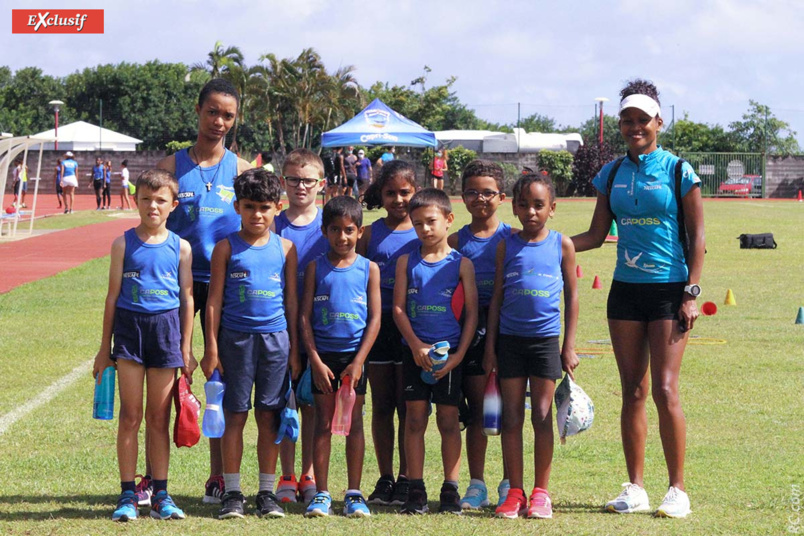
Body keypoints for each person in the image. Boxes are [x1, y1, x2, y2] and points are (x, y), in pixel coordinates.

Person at [571, 79, 704, 519]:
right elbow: (595, 234)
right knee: (633, 390)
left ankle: (678, 490)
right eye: (627, 121)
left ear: (659, 122)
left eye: (642, 120)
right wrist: (543, 243)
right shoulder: (610, 173)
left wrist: (692, 293)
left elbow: (697, 236)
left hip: (670, 291)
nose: (634, 127)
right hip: (625, 292)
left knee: (665, 390)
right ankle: (635, 488)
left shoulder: (678, 169)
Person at [158, 77, 252, 506]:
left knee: (219, 377)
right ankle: (155, 481)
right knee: (165, 374)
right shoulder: (171, 166)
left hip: (225, 282)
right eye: (212, 111)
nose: (218, 121)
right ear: (198, 111)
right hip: (175, 281)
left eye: (227, 115)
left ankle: (218, 476)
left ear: (236, 121)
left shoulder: (244, 172)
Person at [92, 169, 195, 522]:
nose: (153, 206)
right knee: (130, 415)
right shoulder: (122, 243)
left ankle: (162, 494)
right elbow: (112, 296)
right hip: (130, 330)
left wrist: (186, 346)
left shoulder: (181, 247)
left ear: (173, 205)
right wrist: (104, 348)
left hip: (165, 332)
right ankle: (126, 495)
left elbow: (187, 297)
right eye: (146, 199)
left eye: (161, 200)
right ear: (136, 200)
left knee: (158, 418)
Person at [201, 169, 299, 519]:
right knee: (235, 415)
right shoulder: (225, 248)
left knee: (269, 416)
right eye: (249, 207)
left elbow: (291, 303)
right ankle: (232, 492)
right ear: (237, 207)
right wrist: (211, 347)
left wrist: (295, 350)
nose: (257, 215)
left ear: (277, 207)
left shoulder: (286, 248)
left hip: (276, 341)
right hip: (234, 341)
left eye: (264, 207)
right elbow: (213, 302)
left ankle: (267, 493)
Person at [485, 172, 579, 520]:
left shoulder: (562, 245)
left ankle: (541, 492)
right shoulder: (505, 245)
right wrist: (491, 346)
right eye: (523, 205)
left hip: (544, 343)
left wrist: (568, 345)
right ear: (514, 206)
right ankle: (515, 492)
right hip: (509, 342)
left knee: (541, 417)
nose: (531, 212)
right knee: (511, 419)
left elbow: (572, 296)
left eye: (539, 205)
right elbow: (496, 297)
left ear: (552, 208)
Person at [392, 188, 478, 515]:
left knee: (448, 419)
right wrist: (415, 346)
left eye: (431, 222)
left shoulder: (461, 265)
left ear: (448, 220)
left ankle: (450, 489)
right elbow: (398, 309)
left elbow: (472, 313)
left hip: (450, 356)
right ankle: (416, 489)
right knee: (414, 419)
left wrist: (457, 356)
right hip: (414, 354)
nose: (425, 229)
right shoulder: (406, 262)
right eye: (418, 224)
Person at [300, 196, 382, 518]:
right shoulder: (314, 268)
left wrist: (359, 361)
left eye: (349, 230)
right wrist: (315, 361)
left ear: (360, 231)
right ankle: (321, 493)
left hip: (354, 359)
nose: (342, 237)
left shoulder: (369, 269)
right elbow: (305, 317)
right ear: (324, 230)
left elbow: (375, 318)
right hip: (324, 358)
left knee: (353, 424)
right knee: (322, 423)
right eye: (335, 229)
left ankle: (353, 493)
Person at [447, 159, 513, 509]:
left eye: (487, 192)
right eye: (472, 192)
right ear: (462, 197)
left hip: (507, 328)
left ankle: (508, 481)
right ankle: (476, 483)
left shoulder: (514, 238)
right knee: (476, 410)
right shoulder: (455, 240)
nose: (480, 199)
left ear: (501, 197)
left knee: (507, 410)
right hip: (468, 329)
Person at [356, 160, 420, 507]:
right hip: (378, 326)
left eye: (405, 192)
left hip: (414, 328)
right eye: (391, 192)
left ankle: (410, 477)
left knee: (409, 405)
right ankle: (385, 478)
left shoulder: (424, 229)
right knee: (381, 405)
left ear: (416, 192)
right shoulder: (369, 234)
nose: (398, 199)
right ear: (380, 195)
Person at [273, 149, 329, 504]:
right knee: (282, 400)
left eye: (308, 180)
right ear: (283, 183)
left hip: (318, 327)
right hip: (276, 323)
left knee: (310, 402)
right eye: (293, 179)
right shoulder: (271, 222)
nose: (300, 186)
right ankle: (286, 474)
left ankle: (309, 473)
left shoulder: (331, 225)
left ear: (321, 185)